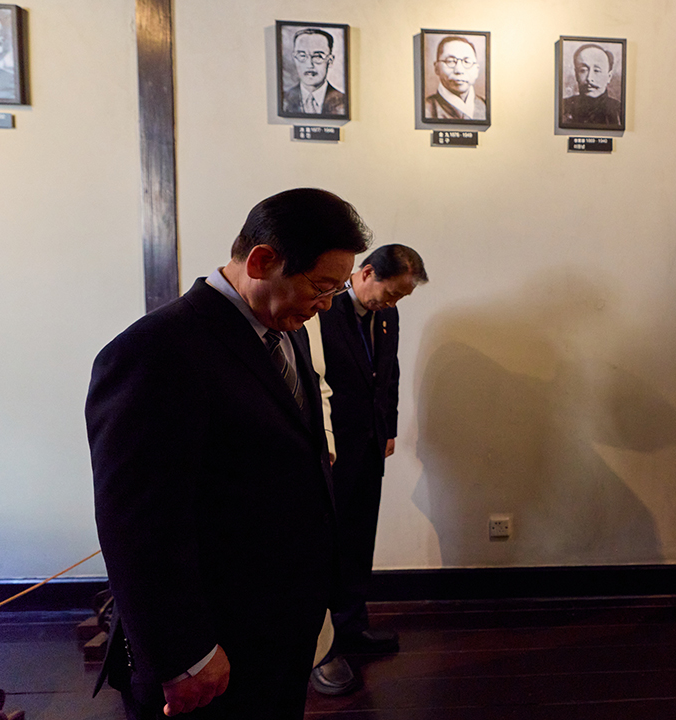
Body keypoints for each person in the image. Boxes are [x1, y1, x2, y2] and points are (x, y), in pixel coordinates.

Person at [86, 188, 371, 718]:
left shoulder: (286, 330)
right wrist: (184, 655)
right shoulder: (156, 350)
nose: (327, 304)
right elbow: (138, 523)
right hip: (213, 640)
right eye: (320, 286)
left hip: (279, 623)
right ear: (261, 261)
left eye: (337, 289)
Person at [305, 244, 428, 695]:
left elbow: (388, 374)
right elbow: (312, 381)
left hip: (369, 445)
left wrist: (388, 429)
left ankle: (352, 625)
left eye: (400, 298)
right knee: (323, 546)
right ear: (367, 272)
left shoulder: (386, 315)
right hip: (330, 450)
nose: (391, 303)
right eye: (389, 293)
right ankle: (321, 648)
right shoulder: (322, 310)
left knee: (358, 539)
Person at [283, 28, 345, 115]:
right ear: (295, 59)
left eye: (318, 56)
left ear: (330, 61)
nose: (310, 65)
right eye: (302, 56)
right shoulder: (284, 100)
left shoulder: (343, 101)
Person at [424, 36, 486, 121]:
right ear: (436, 68)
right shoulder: (425, 109)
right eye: (450, 61)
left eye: (467, 62)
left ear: (476, 70)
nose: (459, 70)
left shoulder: (486, 106)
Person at [560, 43, 622, 128]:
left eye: (596, 70)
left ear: (609, 76)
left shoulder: (619, 111)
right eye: (583, 70)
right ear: (576, 74)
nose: (589, 78)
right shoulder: (563, 108)